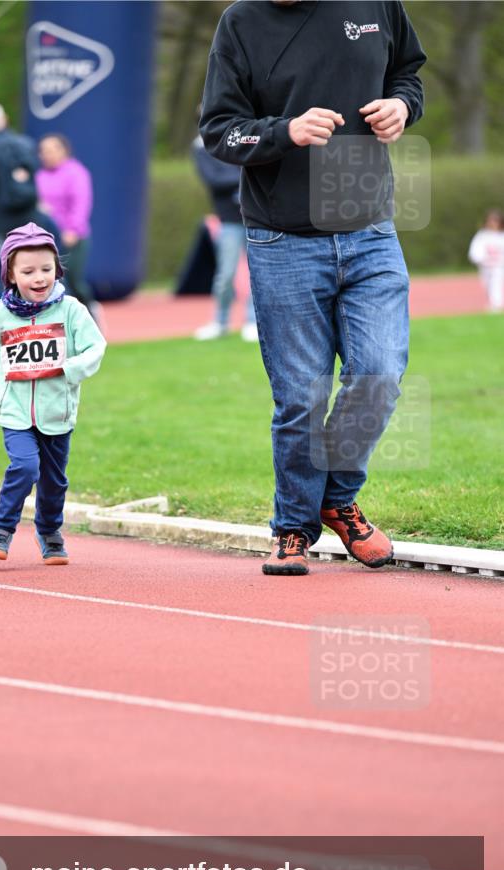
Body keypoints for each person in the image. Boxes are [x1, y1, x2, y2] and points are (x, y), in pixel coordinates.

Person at [200, 0, 426, 575]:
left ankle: (336, 496)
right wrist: (286, 131)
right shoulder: (240, 23)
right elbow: (219, 133)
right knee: (301, 395)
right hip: (283, 240)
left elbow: (408, 73)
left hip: (370, 229)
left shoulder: (376, 3)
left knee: (378, 374)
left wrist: (403, 105)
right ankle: (293, 527)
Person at [0, 223, 105, 563]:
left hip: (57, 412)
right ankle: (1, 530)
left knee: (53, 482)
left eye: (46, 269)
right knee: (26, 467)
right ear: (11, 275)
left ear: (57, 270)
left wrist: (69, 369)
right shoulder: (0, 313)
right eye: (28, 271)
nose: (39, 277)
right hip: (15, 411)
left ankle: (49, 532)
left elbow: (95, 347)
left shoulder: (71, 309)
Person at [0, 102, 61, 303]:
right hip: (32, 226)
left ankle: (4, 331)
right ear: (4, 120)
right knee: (42, 278)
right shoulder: (27, 145)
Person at [191, 131, 258, 342]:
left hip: (255, 217)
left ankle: (253, 321)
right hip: (229, 219)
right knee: (225, 275)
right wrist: (242, 176)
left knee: (257, 272)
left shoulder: (242, 136)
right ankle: (220, 322)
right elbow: (214, 179)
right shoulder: (202, 147)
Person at [36, 134, 96, 312]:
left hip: (71, 237)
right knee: (53, 284)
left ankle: (91, 313)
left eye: (51, 150)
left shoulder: (76, 172)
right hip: (47, 238)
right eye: (43, 151)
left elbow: (81, 203)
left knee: (74, 281)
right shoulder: (39, 176)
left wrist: (73, 229)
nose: (47, 155)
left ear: (64, 151)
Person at [468, 209, 504, 312]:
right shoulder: (482, 235)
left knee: (495, 283)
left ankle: (496, 305)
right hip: (485, 266)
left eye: (495, 221)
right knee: (487, 284)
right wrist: (479, 259)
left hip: (499, 266)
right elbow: (475, 250)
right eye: (490, 221)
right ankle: (492, 303)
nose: (492, 223)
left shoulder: (502, 235)